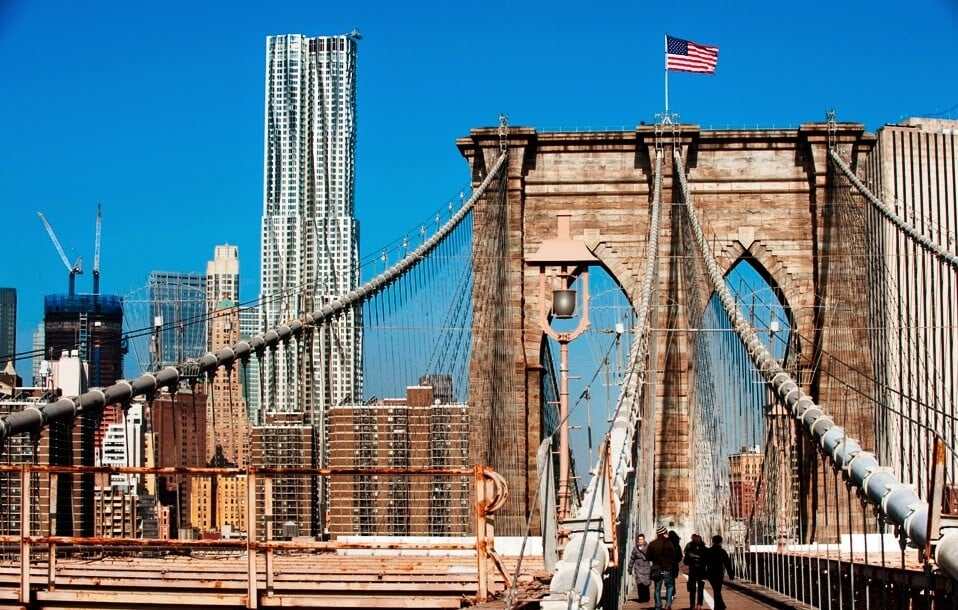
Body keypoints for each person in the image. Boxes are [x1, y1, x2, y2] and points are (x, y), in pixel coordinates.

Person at [646, 525, 682, 610]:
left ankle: (658, 605)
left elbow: (648, 557)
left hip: (657, 569)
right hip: (667, 568)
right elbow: (674, 556)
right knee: (669, 586)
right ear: (663, 533)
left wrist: (655, 560)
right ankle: (668, 604)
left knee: (657, 588)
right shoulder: (668, 543)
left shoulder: (652, 544)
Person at [704, 534, 734, 610]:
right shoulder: (722, 552)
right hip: (719, 573)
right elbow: (727, 563)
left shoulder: (708, 551)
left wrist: (703, 573)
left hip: (710, 573)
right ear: (721, 542)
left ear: (712, 541)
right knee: (717, 589)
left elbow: (704, 562)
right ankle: (719, 606)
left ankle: (720, 606)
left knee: (716, 589)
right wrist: (730, 574)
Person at [683, 534, 708, 610]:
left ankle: (692, 605)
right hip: (702, 571)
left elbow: (685, 561)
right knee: (701, 589)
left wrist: (692, 560)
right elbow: (708, 561)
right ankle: (699, 605)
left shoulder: (690, 549)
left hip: (693, 571)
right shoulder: (705, 549)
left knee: (692, 589)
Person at [628, 533, 651, 602]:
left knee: (646, 584)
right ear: (638, 540)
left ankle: (647, 597)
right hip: (638, 568)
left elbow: (649, 556)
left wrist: (642, 550)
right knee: (640, 584)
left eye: (642, 539)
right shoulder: (635, 549)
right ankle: (641, 598)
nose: (640, 541)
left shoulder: (648, 547)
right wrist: (630, 568)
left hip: (646, 568)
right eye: (639, 539)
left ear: (644, 540)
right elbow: (632, 559)